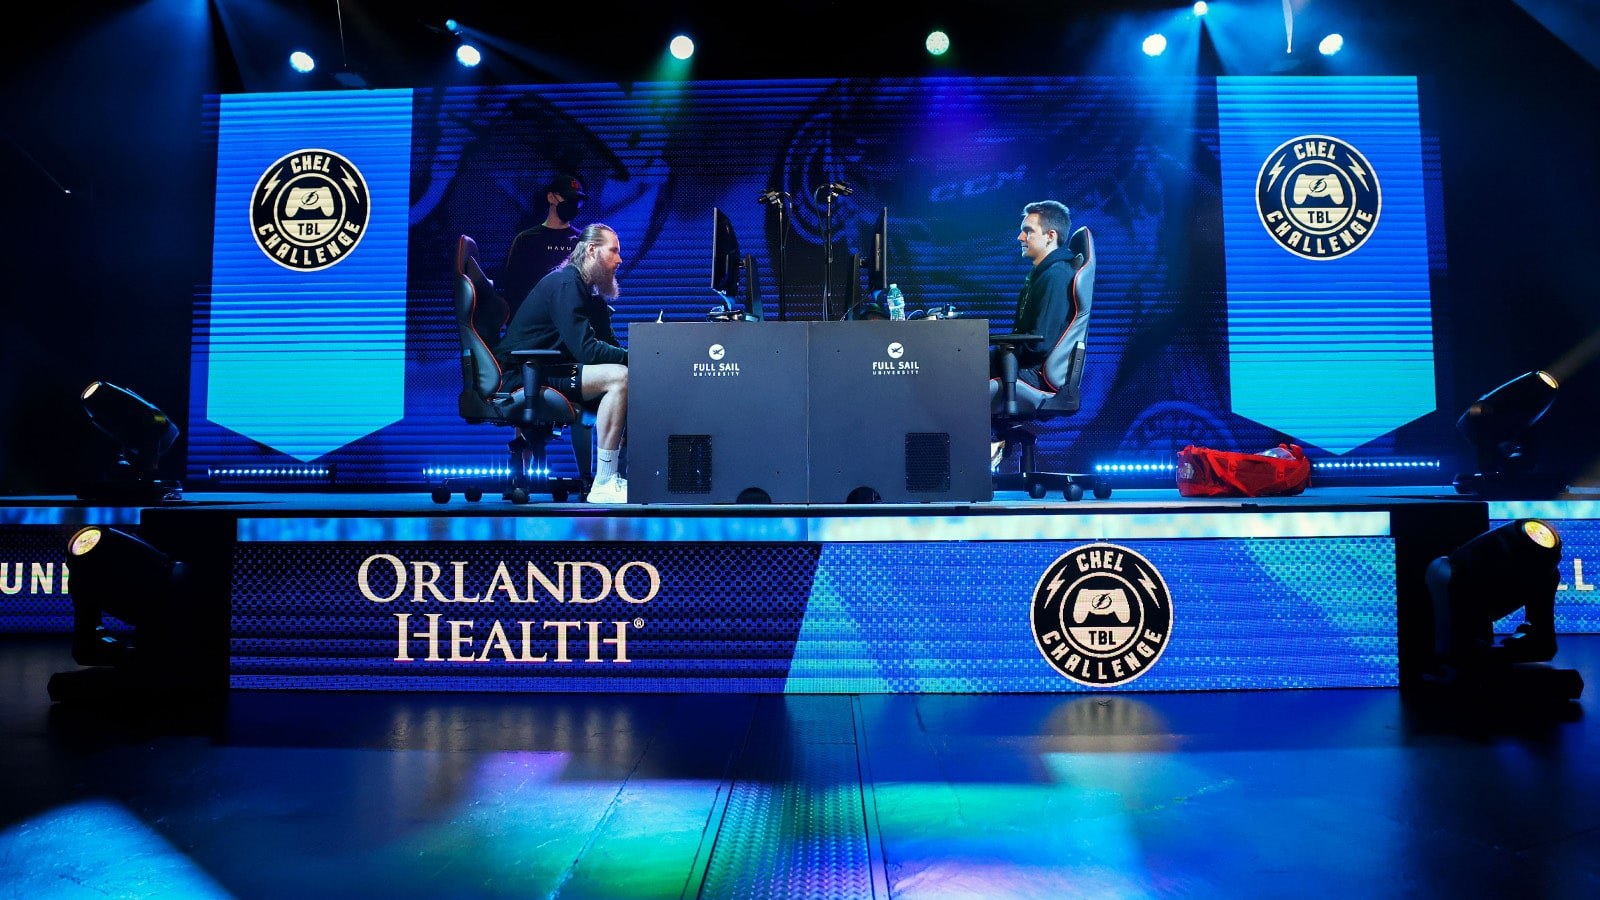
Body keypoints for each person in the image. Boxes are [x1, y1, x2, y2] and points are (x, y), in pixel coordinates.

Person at [495, 224, 630, 504]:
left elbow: (607, 344)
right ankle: (604, 483)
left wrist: (644, 356)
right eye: (614, 251)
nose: (620, 259)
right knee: (619, 377)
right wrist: (638, 357)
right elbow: (588, 352)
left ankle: (622, 476)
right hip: (526, 374)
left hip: (546, 369)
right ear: (592, 250)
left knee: (631, 376)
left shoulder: (585, 290)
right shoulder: (567, 284)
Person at [992, 200, 1077, 468]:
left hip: (1034, 375)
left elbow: (1039, 343)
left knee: (958, 381)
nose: (1020, 237)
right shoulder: (1041, 275)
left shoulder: (1055, 275)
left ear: (1051, 236)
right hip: (1028, 368)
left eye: (1027, 230)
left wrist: (1001, 353)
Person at [498, 173, 588, 317]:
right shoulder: (526, 240)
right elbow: (512, 290)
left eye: (577, 201)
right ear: (551, 197)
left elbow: (588, 288)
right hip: (534, 326)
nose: (573, 205)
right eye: (568, 199)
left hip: (571, 326)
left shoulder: (583, 241)